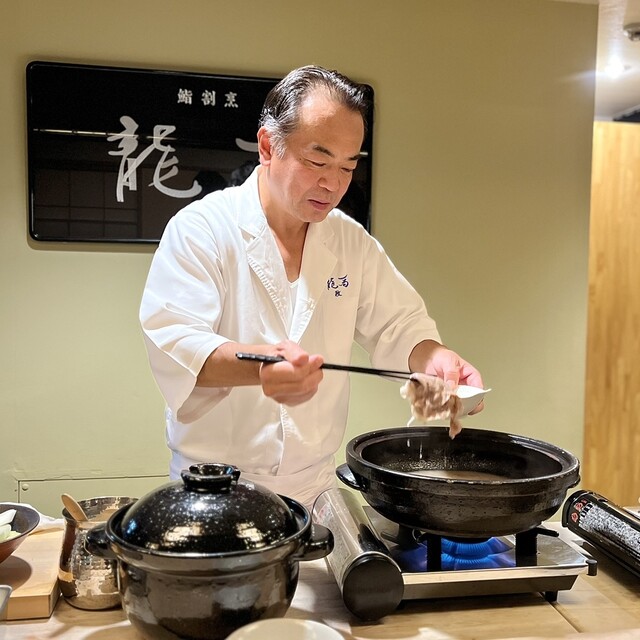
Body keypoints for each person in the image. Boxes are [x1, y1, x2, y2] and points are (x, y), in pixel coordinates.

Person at [139, 65, 484, 508]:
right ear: (269, 146)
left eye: (347, 166)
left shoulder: (350, 241)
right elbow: (177, 341)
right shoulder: (202, 229)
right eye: (318, 161)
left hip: (314, 486)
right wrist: (260, 369)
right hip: (215, 487)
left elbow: (398, 325)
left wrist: (434, 358)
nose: (333, 183)